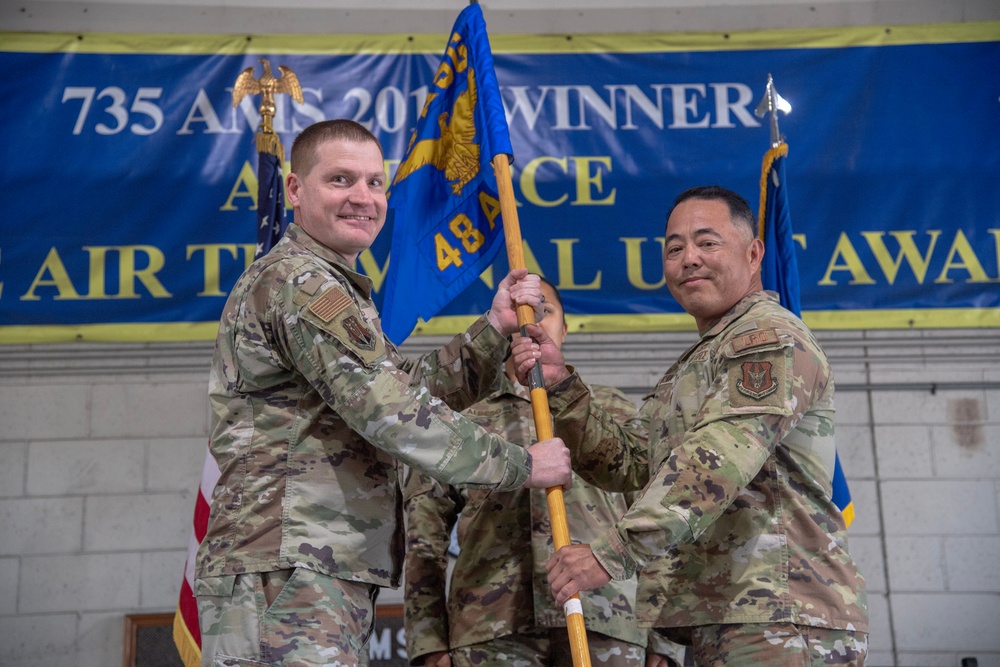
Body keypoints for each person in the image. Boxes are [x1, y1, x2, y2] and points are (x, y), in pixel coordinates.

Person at [194, 119, 572, 667]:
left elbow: (404, 391)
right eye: (341, 180)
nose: (363, 198)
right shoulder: (301, 283)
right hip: (284, 564)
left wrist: (493, 330)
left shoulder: (333, 287)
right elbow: (389, 413)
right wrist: (520, 464)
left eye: (375, 183)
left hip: (311, 562)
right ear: (295, 190)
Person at [512, 186, 869, 666]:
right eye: (674, 248)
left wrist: (611, 552)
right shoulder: (696, 363)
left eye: (707, 242)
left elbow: (720, 457)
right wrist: (560, 388)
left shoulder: (766, 339)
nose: (689, 259)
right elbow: (631, 464)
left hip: (780, 615)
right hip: (727, 616)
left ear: (754, 252)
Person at [403, 276, 656, 667]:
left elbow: (655, 512)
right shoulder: (463, 415)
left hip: (608, 617)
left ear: (565, 331)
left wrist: (664, 638)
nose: (531, 319)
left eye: (545, 310)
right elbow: (425, 533)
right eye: (523, 310)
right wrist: (427, 638)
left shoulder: (611, 408)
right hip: (491, 622)